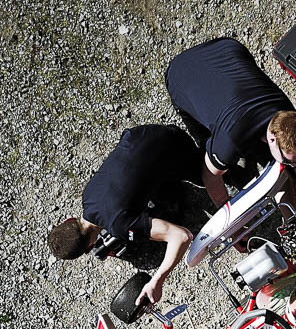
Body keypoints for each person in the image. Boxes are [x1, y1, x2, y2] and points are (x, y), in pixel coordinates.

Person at [47, 124, 202, 305]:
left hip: (178, 146)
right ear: (69, 219)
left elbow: (182, 236)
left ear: (90, 247)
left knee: (206, 176)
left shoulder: (119, 224)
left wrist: (157, 281)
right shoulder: (88, 195)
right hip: (147, 132)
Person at [165, 37, 296, 207]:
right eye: (288, 161)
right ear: (272, 139)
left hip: (225, 48)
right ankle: (226, 169)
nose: (294, 165)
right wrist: (226, 209)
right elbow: (210, 175)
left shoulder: (288, 113)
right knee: (205, 141)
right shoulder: (230, 140)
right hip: (180, 73)